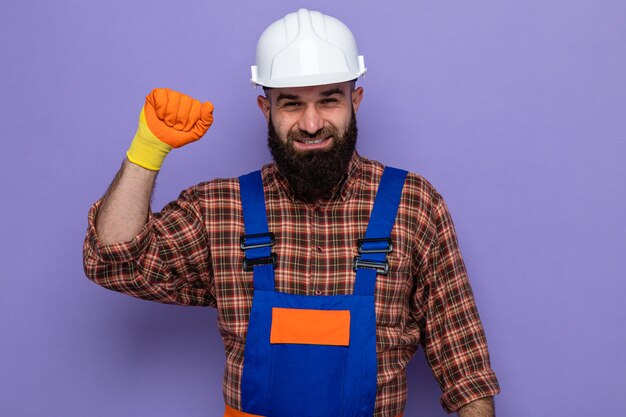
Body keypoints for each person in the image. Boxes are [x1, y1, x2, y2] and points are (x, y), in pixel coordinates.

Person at [83, 8, 500, 417]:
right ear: (267, 110)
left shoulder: (413, 204)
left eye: (329, 100)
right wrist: (147, 150)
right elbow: (113, 262)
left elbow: (465, 366)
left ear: (356, 100)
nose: (313, 123)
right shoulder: (221, 210)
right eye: (291, 104)